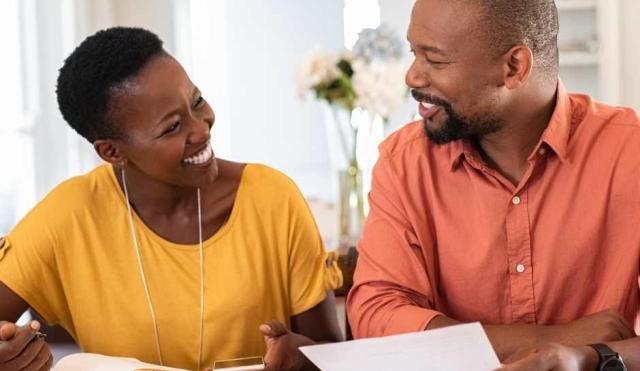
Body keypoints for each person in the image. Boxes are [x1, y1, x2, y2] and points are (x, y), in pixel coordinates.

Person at [0, 27, 343, 371]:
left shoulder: (273, 198)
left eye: (196, 102)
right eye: (172, 127)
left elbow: (332, 351)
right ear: (112, 151)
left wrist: (300, 355)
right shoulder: (69, 215)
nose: (202, 129)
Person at [347, 0, 640, 369]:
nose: (412, 77)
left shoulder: (631, 153)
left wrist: (585, 357)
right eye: (413, 53)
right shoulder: (403, 163)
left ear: (514, 67)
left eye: (434, 61)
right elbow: (376, 316)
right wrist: (550, 339)